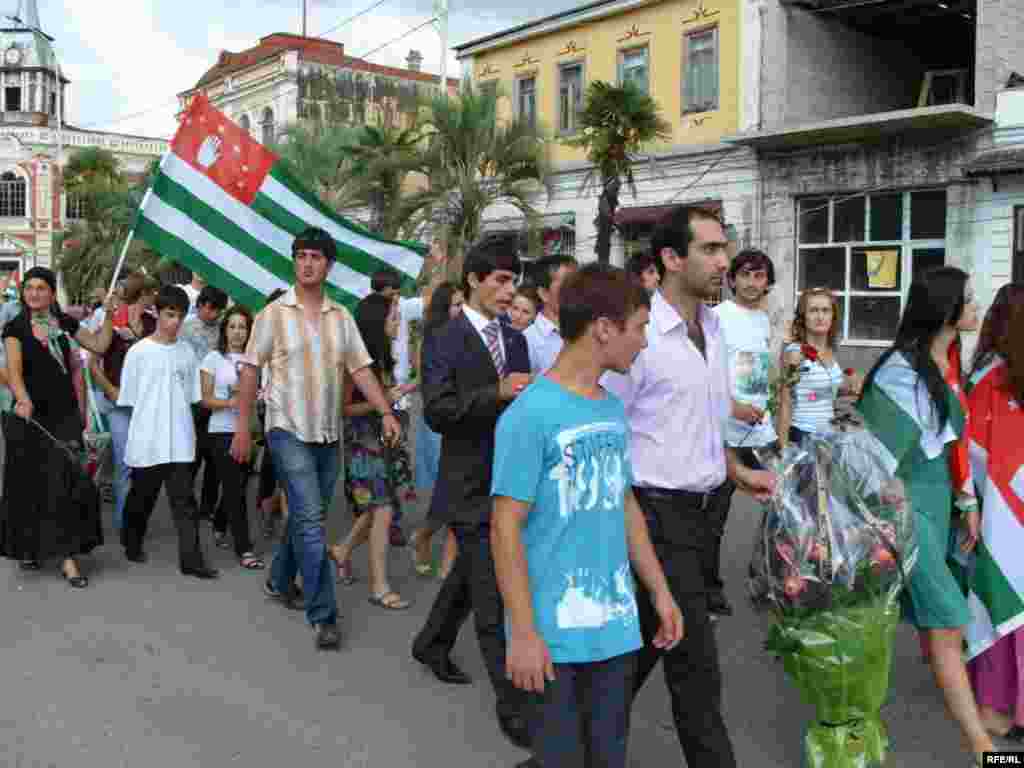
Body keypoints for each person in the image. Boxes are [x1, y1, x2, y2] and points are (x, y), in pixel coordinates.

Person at [603, 205, 775, 768]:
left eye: (724, 248)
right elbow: (605, 429)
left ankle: (562, 748)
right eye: (710, 250)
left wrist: (737, 471)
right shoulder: (639, 335)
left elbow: (702, 419)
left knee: (638, 655)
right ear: (672, 259)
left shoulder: (717, 325)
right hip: (654, 517)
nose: (724, 261)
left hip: (701, 520)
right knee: (696, 669)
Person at [492, 263, 684, 768]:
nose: (643, 342)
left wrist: (660, 593)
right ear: (604, 328)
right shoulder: (529, 415)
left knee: (607, 758)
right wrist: (525, 634)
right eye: (639, 327)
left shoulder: (611, 409)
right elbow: (505, 528)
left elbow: (623, 505)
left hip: (615, 632)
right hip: (551, 638)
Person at [231, 226, 400, 652]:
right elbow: (251, 368)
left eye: (316, 256)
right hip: (286, 430)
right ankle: (323, 614)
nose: (307, 263)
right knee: (310, 519)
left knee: (308, 515)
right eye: (301, 255)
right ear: (295, 261)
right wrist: (242, 426)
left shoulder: (340, 317)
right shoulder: (273, 315)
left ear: (328, 264)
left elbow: (360, 368)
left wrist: (385, 411)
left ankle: (278, 579)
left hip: (327, 434)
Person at [858, 266, 992, 765]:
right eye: (969, 298)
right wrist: (899, 523)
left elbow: (951, 444)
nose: (976, 305)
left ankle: (861, 732)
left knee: (910, 624)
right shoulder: (900, 371)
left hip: (939, 507)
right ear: (946, 308)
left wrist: (967, 504)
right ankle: (985, 750)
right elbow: (875, 462)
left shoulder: (948, 359)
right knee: (947, 625)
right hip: (908, 510)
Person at [410, 232, 532, 749]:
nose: (509, 292)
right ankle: (515, 705)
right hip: (468, 483)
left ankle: (431, 642)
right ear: (475, 280)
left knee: (470, 573)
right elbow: (438, 413)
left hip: (510, 481)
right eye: (502, 280)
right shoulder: (445, 337)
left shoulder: (519, 340)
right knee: (493, 595)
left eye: (515, 282)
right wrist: (494, 393)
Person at [0, 267, 117, 588]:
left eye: (41, 288)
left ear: (52, 293)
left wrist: (108, 314)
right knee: (31, 486)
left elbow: (100, 345)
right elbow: (14, 372)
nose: (34, 293)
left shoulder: (63, 322)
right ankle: (30, 547)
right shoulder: (15, 328)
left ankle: (68, 558)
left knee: (66, 483)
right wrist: (22, 399)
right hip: (31, 417)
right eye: (30, 288)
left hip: (64, 415)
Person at [118, 286, 218, 580]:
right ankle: (131, 542)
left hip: (180, 441)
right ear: (158, 314)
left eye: (179, 315)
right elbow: (130, 398)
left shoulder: (187, 353)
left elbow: (192, 396)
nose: (174, 321)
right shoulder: (138, 352)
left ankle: (192, 561)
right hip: (148, 440)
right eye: (169, 314)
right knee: (141, 499)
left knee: (185, 503)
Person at [963, 283, 1024, 743]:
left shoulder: (987, 379)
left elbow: (973, 458)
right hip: (1010, 517)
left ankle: (999, 720)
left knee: (1002, 609)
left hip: (1001, 523)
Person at [706, 248, 779, 617]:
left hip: (760, 428)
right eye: (746, 275)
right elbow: (704, 370)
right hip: (724, 430)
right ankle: (709, 590)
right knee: (714, 517)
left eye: (760, 276)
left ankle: (772, 577)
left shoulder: (764, 320)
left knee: (783, 502)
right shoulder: (717, 317)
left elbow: (761, 370)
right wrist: (733, 407)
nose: (753, 283)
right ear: (732, 278)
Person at [331, 293, 414, 609]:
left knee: (380, 507)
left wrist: (395, 396)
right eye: (393, 318)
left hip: (384, 443)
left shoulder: (382, 359)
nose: (398, 324)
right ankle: (380, 587)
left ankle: (342, 550)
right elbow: (343, 408)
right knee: (382, 509)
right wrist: (384, 402)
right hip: (364, 448)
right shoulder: (355, 362)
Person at [370, 243, 447, 547]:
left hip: (399, 401)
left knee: (394, 463)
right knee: (376, 463)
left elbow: (435, 298)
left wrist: (437, 265)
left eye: (394, 296)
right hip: (372, 401)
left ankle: (392, 520)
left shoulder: (404, 309)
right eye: (386, 297)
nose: (391, 304)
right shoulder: (365, 314)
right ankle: (374, 514)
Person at [89, 274, 158, 533]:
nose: (149, 300)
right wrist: (110, 388)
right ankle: (125, 527)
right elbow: (93, 362)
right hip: (119, 406)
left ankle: (136, 520)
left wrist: (139, 336)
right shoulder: (110, 320)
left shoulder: (153, 325)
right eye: (147, 295)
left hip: (149, 407)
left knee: (146, 467)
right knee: (126, 465)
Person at [200, 305, 264, 570]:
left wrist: (256, 397)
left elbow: (262, 391)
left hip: (250, 430)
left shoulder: (255, 360)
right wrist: (231, 403)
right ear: (225, 330)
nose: (238, 332)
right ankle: (245, 548)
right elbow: (205, 400)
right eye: (233, 326)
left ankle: (219, 522)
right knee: (236, 488)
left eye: (243, 327)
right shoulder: (213, 359)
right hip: (222, 432)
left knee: (237, 484)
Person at [410, 282, 464, 578]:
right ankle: (424, 537)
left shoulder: (466, 334)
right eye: (455, 305)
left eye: (462, 304)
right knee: (447, 489)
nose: (460, 310)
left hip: (462, 419)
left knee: (453, 490)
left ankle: (434, 549)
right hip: (439, 421)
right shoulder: (432, 337)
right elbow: (424, 379)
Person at [777, 287, 860, 446]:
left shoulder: (830, 351)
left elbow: (819, 394)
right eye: (813, 310)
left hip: (828, 436)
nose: (820, 316)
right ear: (803, 317)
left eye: (825, 310)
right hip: (803, 436)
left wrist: (848, 385)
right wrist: (783, 450)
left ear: (832, 316)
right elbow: (785, 403)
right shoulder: (796, 353)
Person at [181, 285, 229, 523]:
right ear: (199, 304)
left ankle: (207, 507)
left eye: (215, 310)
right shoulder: (185, 326)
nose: (210, 313)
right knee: (192, 454)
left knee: (214, 457)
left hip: (215, 399)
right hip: (192, 399)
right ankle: (185, 502)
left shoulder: (222, 330)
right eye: (206, 307)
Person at [523, 255, 578, 374]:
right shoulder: (527, 341)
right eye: (568, 284)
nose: (577, 290)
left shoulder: (586, 333)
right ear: (544, 294)